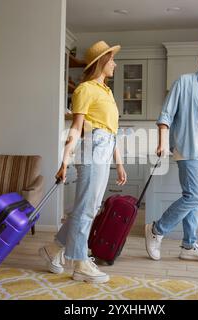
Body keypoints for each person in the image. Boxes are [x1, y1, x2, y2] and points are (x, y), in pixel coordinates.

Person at [39, 41, 127, 283]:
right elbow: (76, 129)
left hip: (105, 148)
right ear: (101, 62)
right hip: (92, 149)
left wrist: (118, 162)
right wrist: (64, 162)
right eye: (111, 60)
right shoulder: (84, 89)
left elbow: (112, 131)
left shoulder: (106, 91)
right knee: (86, 209)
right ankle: (79, 263)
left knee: (88, 208)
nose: (115, 64)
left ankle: (53, 250)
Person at [145, 38, 198, 263]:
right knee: (194, 196)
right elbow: (166, 114)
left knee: (197, 200)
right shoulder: (183, 82)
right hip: (188, 149)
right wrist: (163, 142)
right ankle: (157, 229)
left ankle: (189, 245)